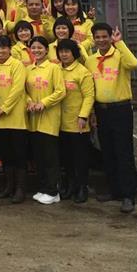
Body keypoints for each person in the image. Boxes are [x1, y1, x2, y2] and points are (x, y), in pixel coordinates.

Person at [85, 23, 137, 214]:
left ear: (110, 37)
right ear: (93, 39)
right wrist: (92, 112)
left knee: (123, 151)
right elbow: (91, 87)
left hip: (121, 109)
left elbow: (134, 64)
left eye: (104, 36)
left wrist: (120, 43)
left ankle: (128, 195)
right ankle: (114, 189)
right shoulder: (91, 60)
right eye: (97, 37)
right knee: (107, 151)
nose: (101, 40)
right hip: (101, 110)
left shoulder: (120, 55)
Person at [25, 36, 67, 205]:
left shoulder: (54, 68)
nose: (36, 50)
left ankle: (53, 191)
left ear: (46, 50)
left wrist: (44, 102)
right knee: (39, 156)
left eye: (40, 48)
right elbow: (24, 90)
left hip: (49, 117)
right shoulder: (29, 69)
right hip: (33, 118)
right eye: (33, 48)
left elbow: (61, 91)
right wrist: (29, 102)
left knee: (50, 156)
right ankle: (43, 188)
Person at [0, 35, 29, 204]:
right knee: (6, 154)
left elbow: (18, 89)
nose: (1, 51)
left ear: (10, 49)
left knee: (19, 154)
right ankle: (8, 186)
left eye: (4, 47)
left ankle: (20, 189)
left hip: (16, 117)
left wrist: (4, 108)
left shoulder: (17, 65)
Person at [56, 39, 95, 203]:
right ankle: (70, 186)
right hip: (60, 122)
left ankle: (82, 187)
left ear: (74, 53)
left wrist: (83, 116)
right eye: (61, 51)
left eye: (67, 51)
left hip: (78, 122)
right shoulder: (56, 70)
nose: (64, 55)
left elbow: (89, 96)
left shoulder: (82, 72)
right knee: (66, 158)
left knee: (80, 158)